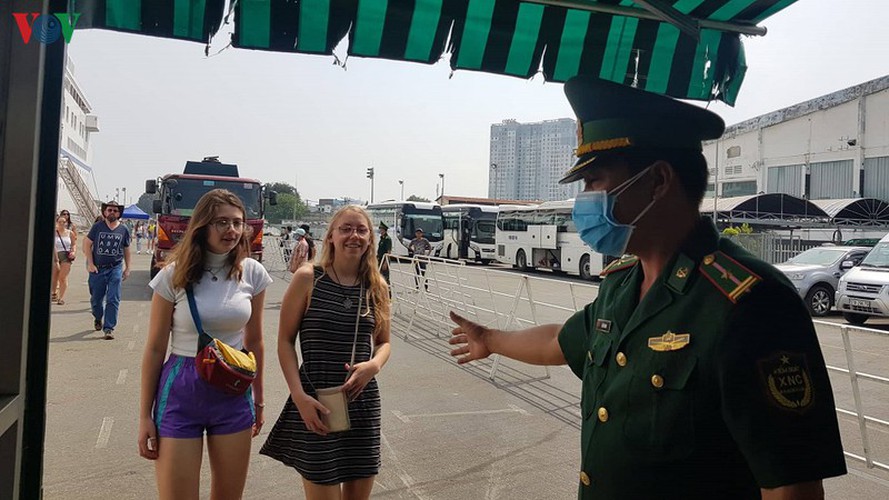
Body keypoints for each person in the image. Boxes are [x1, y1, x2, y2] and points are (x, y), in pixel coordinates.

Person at [448, 77, 846, 499]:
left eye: (595, 181)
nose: (584, 200)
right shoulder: (623, 282)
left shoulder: (750, 301)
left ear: (657, 180)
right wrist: (490, 340)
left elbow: (791, 488)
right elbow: (559, 343)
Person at [138, 188, 272, 499]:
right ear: (202, 226)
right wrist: (145, 415)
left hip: (234, 388)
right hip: (181, 388)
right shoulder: (173, 275)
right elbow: (155, 348)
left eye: (238, 223)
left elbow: (255, 341)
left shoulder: (252, 273)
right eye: (221, 222)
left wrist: (259, 399)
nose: (232, 230)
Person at [261, 205, 391, 500]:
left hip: (362, 400)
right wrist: (299, 396)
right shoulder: (309, 278)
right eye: (345, 229)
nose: (353, 236)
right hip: (316, 400)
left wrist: (374, 365)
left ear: (370, 238)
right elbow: (285, 341)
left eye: (361, 230)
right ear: (330, 236)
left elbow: (384, 342)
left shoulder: (377, 286)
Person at [84, 201, 131, 339]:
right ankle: (98, 317)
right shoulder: (97, 227)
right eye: (109, 210)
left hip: (115, 268)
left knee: (113, 298)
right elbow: (87, 244)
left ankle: (109, 327)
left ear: (119, 213)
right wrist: (90, 264)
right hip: (98, 269)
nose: (112, 212)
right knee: (96, 299)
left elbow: (126, 249)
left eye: (115, 211)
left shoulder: (124, 229)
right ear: (105, 212)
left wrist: (128, 268)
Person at [52, 213, 76, 305]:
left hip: (66, 256)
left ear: (66, 223)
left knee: (63, 277)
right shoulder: (53, 233)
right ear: (57, 222)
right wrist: (56, 259)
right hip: (55, 255)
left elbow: (73, 244)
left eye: (64, 222)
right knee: (54, 276)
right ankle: (54, 292)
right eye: (60, 222)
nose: (62, 223)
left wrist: (73, 252)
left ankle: (61, 297)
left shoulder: (70, 233)